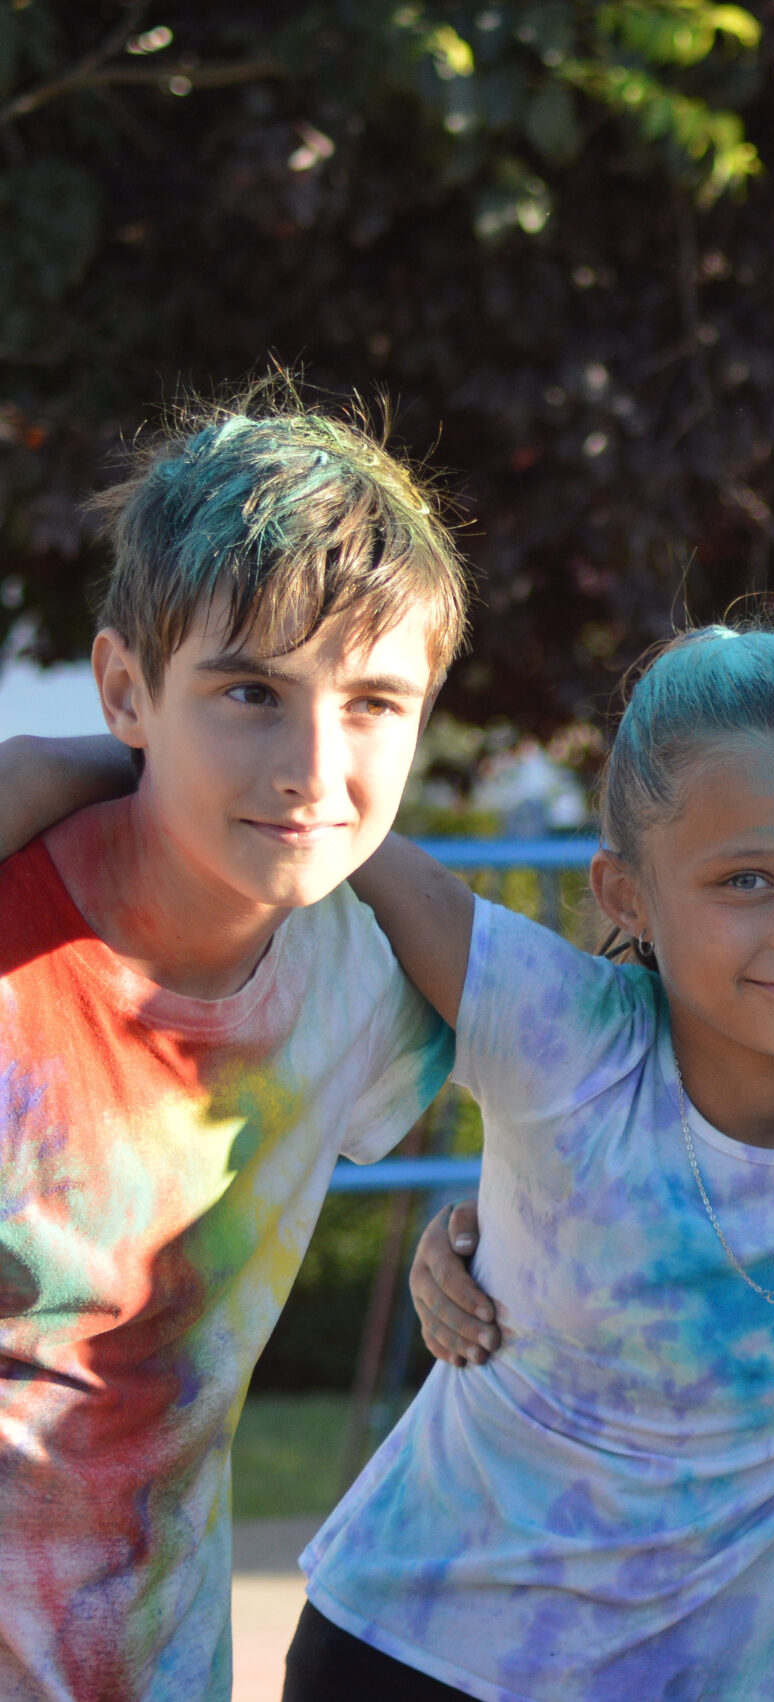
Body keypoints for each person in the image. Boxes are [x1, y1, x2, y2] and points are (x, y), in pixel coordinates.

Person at [282, 625, 774, 1700]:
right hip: (423, 1656)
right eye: (748, 880)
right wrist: (117, 742)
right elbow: (329, 826)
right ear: (626, 894)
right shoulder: (564, 1035)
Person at [0, 392, 468, 1702]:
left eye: (373, 701)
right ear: (125, 689)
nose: (311, 764)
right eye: (251, 692)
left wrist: (481, 1233)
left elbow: (601, 1092)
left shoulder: (361, 981)